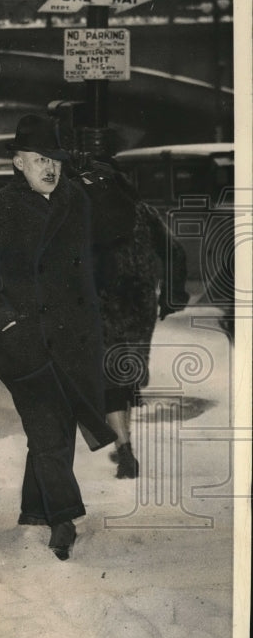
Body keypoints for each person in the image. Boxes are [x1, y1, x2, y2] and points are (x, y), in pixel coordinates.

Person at [0, 114, 117, 560]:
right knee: (46, 431)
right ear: (17, 163)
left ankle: (35, 511)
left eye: (54, 158)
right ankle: (63, 517)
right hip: (24, 341)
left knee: (58, 428)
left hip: (73, 336)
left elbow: (98, 259)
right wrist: (6, 320)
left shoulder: (76, 199)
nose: (48, 168)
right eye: (38, 160)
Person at [67, 144, 189, 479]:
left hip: (104, 303)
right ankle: (125, 442)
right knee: (126, 374)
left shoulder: (82, 214)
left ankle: (124, 448)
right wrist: (173, 295)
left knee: (109, 382)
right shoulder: (143, 211)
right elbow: (175, 253)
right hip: (141, 304)